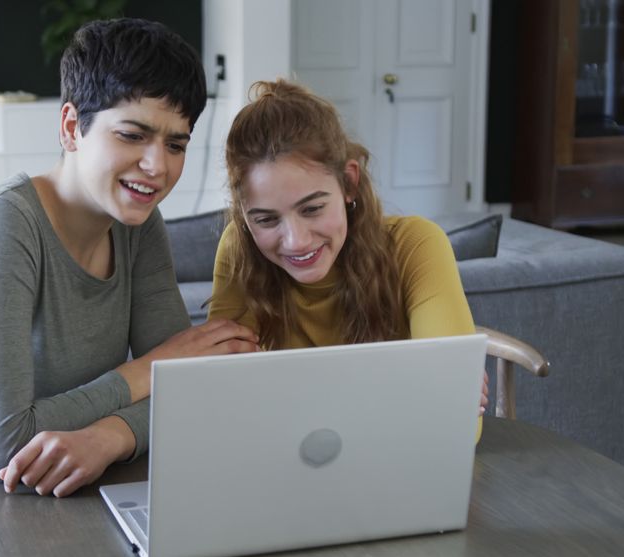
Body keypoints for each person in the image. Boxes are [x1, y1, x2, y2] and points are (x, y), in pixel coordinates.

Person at [0, 19, 258, 496]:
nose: (157, 166)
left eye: (176, 143)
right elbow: (3, 444)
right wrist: (143, 372)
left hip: (26, 507)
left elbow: (183, 388)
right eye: (131, 135)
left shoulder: (138, 227)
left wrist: (111, 436)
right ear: (70, 128)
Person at [208, 79, 488, 435]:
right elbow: (222, 406)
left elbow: (459, 426)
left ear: (349, 183)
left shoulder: (417, 245)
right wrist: (415, 386)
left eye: (312, 209)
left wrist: (281, 395)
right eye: (265, 219)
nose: (295, 241)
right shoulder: (241, 247)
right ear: (243, 214)